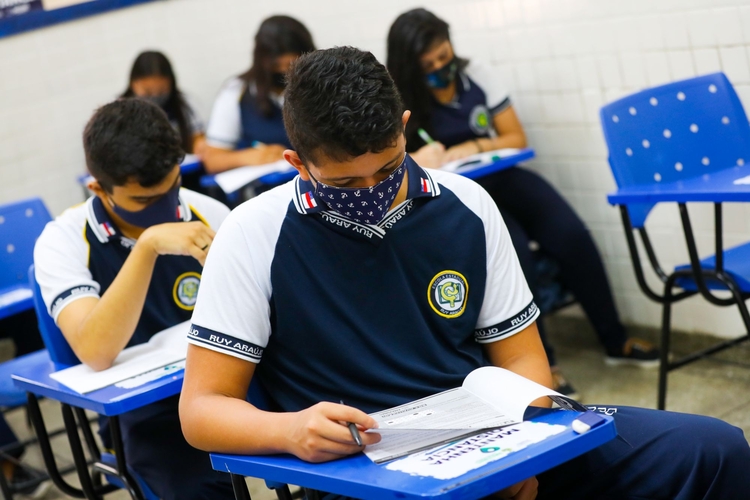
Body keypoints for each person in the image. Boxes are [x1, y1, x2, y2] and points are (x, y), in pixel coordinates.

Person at [179, 46, 750, 500]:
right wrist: (288, 431)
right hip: (365, 472)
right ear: (297, 162)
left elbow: (522, 357)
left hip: (492, 438)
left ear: (404, 129)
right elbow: (201, 411)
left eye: (387, 169)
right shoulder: (253, 233)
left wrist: (523, 455)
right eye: (346, 185)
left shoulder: (466, 204)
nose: (373, 194)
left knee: (714, 448)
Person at [386, 8, 658, 398]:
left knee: (570, 233)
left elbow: (514, 137)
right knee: (515, 257)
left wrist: (473, 145)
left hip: (505, 177)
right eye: (427, 64)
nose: (439, 68)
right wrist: (416, 159)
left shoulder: (475, 73)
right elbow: (388, 167)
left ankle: (616, 340)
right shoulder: (398, 99)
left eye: (443, 57)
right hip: (457, 198)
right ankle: (545, 365)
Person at [34, 99, 233, 499]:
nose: (163, 207)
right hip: (144, 420)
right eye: (143, 202)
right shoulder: (63, 241)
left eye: (171, 188)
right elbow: (95, 350)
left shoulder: (207, 212)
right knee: (194, 485)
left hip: (226, 390)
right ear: (98, 189)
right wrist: (149, 246)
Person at [202, 15, 315, 174]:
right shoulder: (236, 91)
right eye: (276, 66)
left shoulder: (323, 82)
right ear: (261, 61)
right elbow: (212, 160)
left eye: (292, 64)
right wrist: (248, 157)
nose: (284, 71)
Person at [121, 50, 208, 193]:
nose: (155, 97)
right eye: (147, 92)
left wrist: (200, 145)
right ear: (133, 83)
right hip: (140, 186)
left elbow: (198, 139)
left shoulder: (184, 105)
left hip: (186, 179)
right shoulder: (119, 112)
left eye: (161, 91)